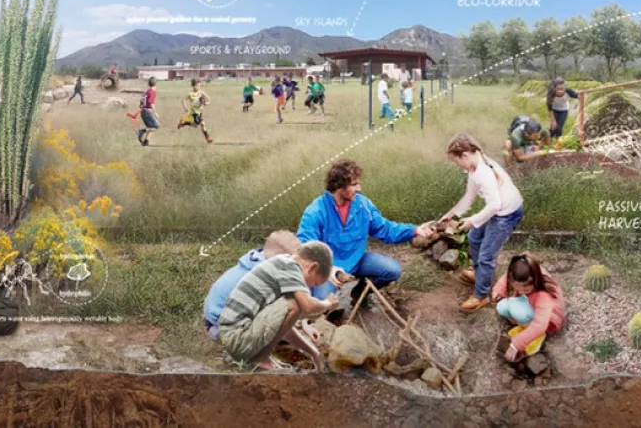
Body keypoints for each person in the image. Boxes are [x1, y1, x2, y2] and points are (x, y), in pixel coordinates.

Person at [296, 160, 433, 317]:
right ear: (339, 185)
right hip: (329, 268)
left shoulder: (363, 204)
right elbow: (306, 247)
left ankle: (358, 293)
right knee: (322, 305)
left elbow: (385, 229)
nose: (359, 188)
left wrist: (415, 230)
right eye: (354, 184)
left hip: (357, 260)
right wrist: (328, 269)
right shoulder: (316, 210)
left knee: (392, 269)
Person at [217, 241, 338, 371]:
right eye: (313, 283)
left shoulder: (283, 263)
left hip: (232, 337)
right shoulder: (290, 267)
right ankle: (261, 358)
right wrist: (328, 303)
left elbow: (282, 326)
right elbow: (307, 306)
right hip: (237, 338)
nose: (308, 288)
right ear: (312, 267)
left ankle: (262, 356)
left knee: (294, 305)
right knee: (297, 304)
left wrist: (313, 352)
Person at [440, 134, 525, 312]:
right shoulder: (474, 166)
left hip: (505, 214)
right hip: (497, 210)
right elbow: (469, 197)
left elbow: (495, 206)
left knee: (486, 256)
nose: (458, 166)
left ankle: (481, 295)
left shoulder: (483, 173)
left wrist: (471, 221)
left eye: (457, 162)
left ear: (464, 155)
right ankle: (479, 275)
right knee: (474, 238)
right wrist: (450, 215)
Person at [491, 254, 565, 362]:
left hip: (548, 320)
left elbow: (540, 325)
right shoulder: (522, 272)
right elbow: (507, 277)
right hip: (530, 304)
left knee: (518, 311)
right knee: (501, 307)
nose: (520, 291)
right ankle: (525, 327)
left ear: (535, 280)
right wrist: (497, 291)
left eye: (525, 288)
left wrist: (516, 345)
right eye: (517, 287)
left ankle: (537, 337)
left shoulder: (544, 294)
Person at [178, 78, 213, 143]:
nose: (199, 87)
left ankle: (208, 138)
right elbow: (183, 100)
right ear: (193, 86)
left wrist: (206, 103)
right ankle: (185, 122)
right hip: (194, 113)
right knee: (200, 124)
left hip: (200, 112)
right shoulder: (190, 94)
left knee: (200, 125)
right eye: (197, 86)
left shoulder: (201, 92)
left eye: (199, 86)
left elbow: (209, 99)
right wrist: (185, 107)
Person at [136, 77, 160, 146]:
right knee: (156, 126)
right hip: (147, 111)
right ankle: (141, 131)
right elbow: (151, 103)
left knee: (150, 127)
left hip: (143, 111)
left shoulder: (146, 92)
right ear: (155, 84)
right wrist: (155, 113)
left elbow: (141, 102)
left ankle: (146, 142)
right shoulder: (152, 92)